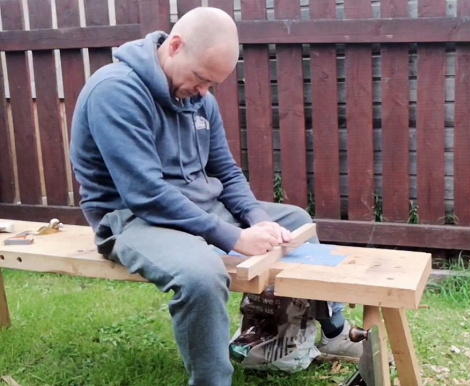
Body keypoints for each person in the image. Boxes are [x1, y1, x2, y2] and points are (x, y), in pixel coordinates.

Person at [69, 6, 361, 385]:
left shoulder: (198, 96)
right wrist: (234, 237)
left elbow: (225, 169)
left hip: (198, 206)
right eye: (201, 79)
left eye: (213, 86)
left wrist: (256, 217)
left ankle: (331, 332)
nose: (204, 93)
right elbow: (145, 193)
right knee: (201, 274)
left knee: (295, 221)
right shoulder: (115, 91)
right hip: (131, 217)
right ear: (175, 46)